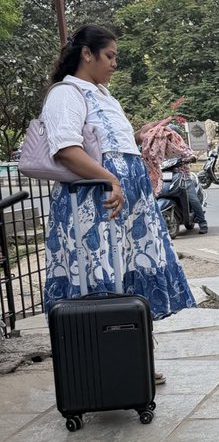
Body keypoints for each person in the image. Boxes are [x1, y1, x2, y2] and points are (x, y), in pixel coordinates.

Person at [41, 24, 195, 382]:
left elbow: (114, 143)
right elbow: (65, 149)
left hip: (126, 199)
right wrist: (111, 179)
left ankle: (134, 363)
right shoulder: (66, 93)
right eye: (109, 56)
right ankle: (101, 368)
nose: (114, 64)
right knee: (100, 275)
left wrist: (140, 136)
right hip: (96, 201)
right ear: (87, 54)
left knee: (127, 274)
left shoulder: (104, 95)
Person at [137, 119, 208, 234]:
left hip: (182, 176)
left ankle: (203, 223)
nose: (169, 139)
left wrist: (190, 157)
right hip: (164, 176)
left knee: (193, 199)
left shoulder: (180, 145)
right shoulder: (159, 146)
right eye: (167, 137)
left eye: (171, 137)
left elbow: (189, 153)